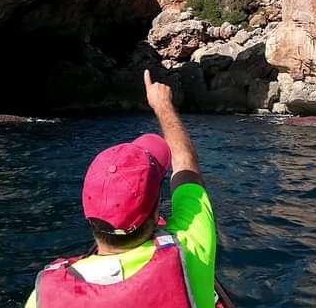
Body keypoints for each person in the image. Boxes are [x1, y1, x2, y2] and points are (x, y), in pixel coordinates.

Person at [23, 70, 217, 308]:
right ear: (156, 214)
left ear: (87, 212)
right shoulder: (190, 248)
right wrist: (162, 105)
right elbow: (186, 164)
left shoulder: (41, 297)